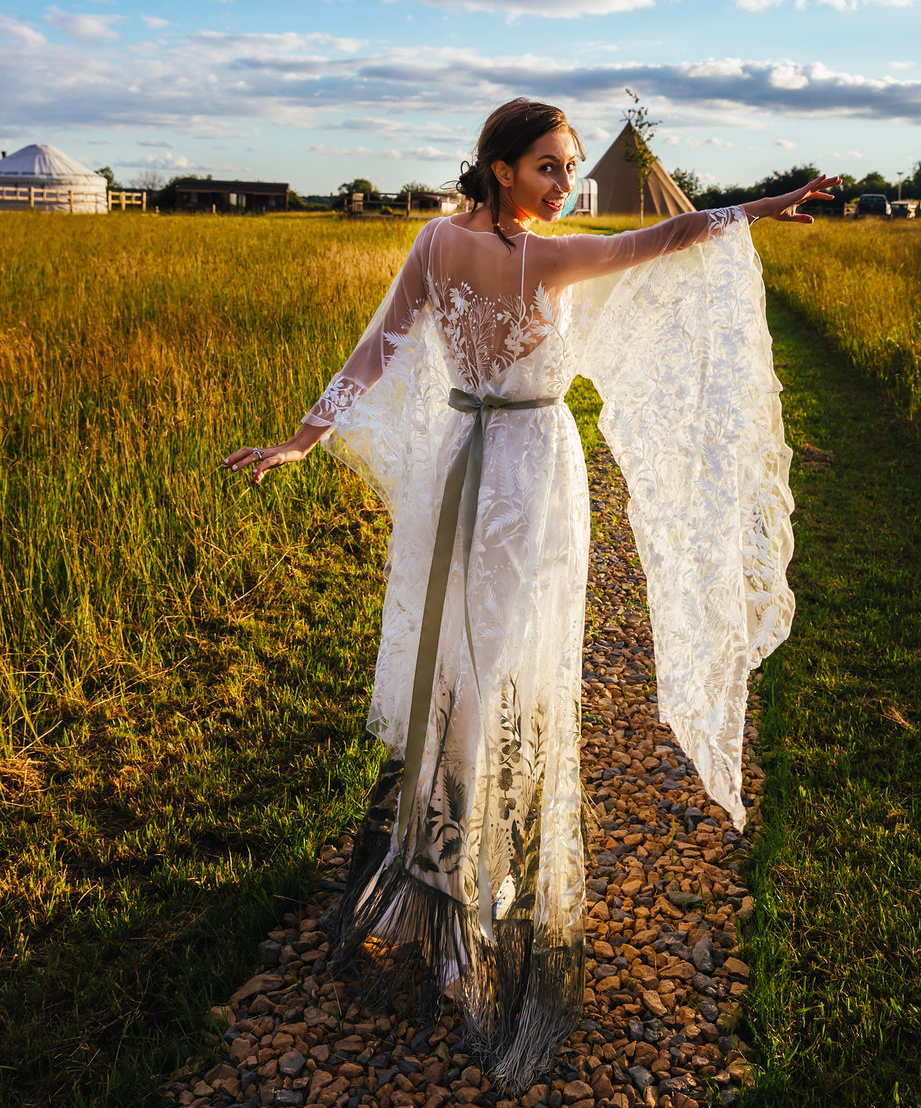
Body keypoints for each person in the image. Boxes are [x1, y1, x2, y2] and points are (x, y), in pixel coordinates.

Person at [224, 98, 837, 1091]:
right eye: (548, 168)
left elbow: (377, 350)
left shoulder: (440, 242)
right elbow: (665, 236)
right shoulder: (533, 259)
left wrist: (306, 434)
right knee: (490, 669)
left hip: (471, 457)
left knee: (475, 663)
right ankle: (461, 887)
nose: (563, 186)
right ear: (499, 167)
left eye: (567, 168)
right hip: (519, 470)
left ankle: (439, 862)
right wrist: (763, 206)